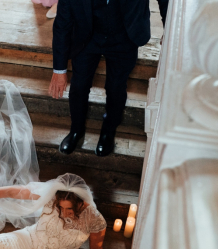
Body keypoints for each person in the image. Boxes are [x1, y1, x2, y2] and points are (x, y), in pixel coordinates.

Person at [49, 0, 168, 156]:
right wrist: (59, 70)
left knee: (116, 87)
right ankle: (76, 130)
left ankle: (108, 132)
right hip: (88, 35)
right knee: (79, 85)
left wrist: (170, 29)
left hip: (125, 34)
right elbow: (62, 23)